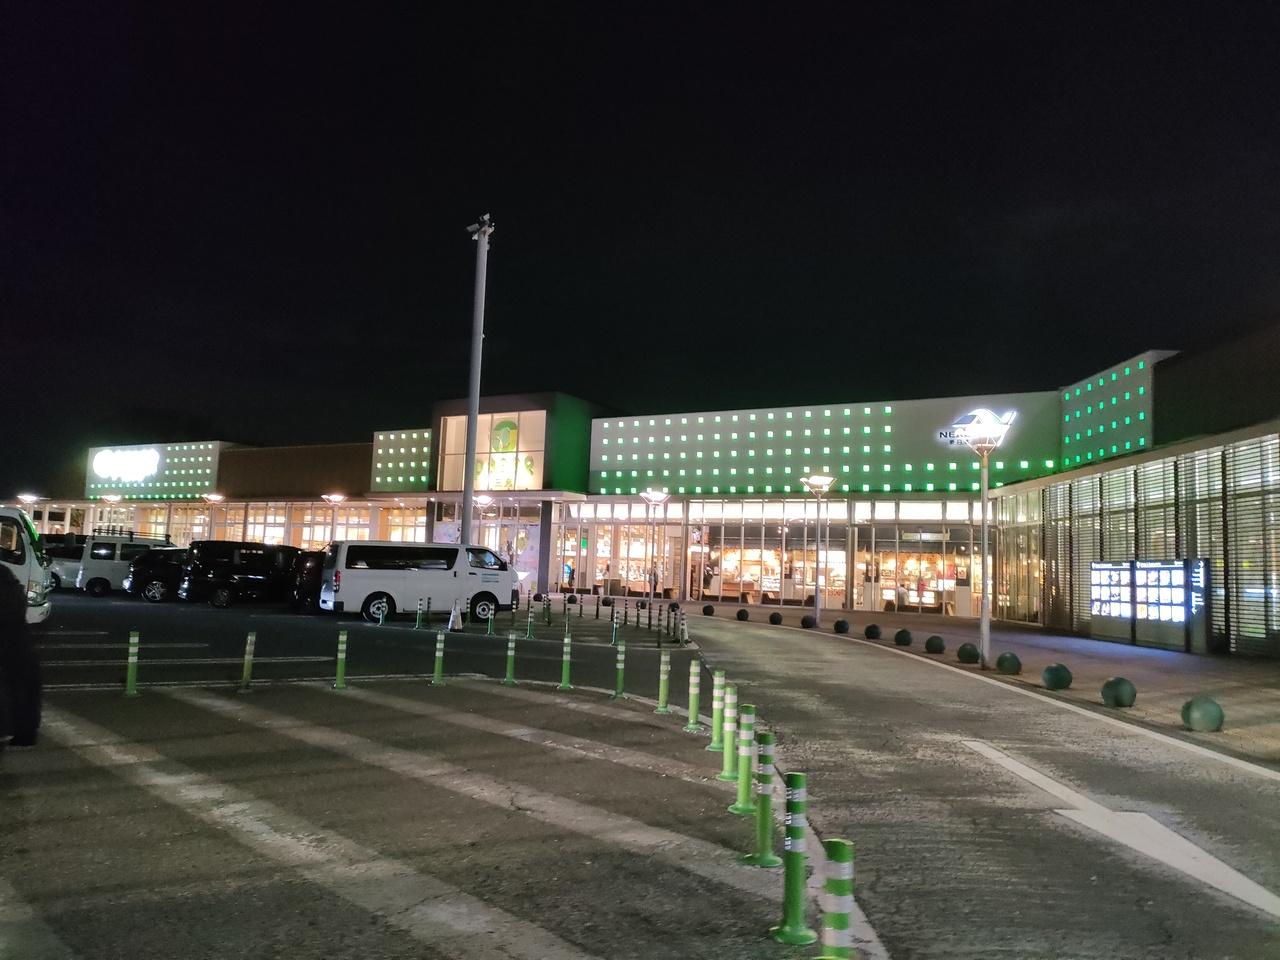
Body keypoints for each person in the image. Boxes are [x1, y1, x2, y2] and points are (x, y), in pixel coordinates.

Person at [0, 566, 41, 747]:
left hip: (9, 648)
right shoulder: (12, 586)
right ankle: (25, 734)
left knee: (14, 692)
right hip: (20, 646)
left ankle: (16, 731)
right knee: (25, 693)